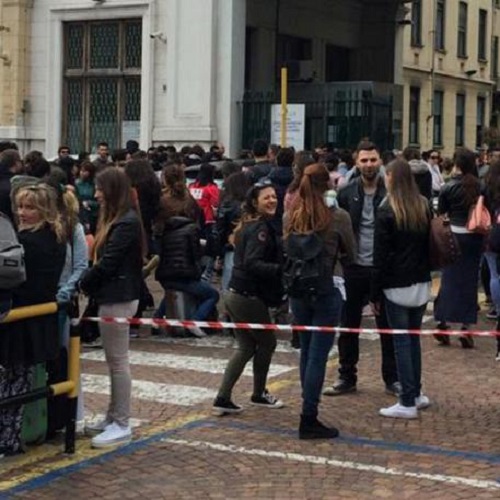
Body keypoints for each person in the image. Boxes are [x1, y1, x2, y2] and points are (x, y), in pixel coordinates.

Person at [323, 141, 399, 397]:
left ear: (380, 161)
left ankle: (392, 378)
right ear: (356, 162)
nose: (368, 165)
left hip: (383, 269)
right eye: (364, 160)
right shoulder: (345, 193)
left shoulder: (391, 192)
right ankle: (347, 376)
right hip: (353, 268)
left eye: (373, 160)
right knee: (349, 325)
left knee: (387, 326)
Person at [285, 163, 355, 439]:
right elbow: (351, 252)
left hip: (298, 288)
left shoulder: (291, 215)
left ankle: (307, 404)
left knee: (306, 350)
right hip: (327, 287)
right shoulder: (338, 217)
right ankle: (308, 415)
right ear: (328, 184)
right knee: (318, 354)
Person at [80, 167, 145, 448]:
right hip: (113, 294)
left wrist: (83, 281)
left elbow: (109, 263)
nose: (96, 194)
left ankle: (121, 422)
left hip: (118, 296)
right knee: (114, 361)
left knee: (118, 362)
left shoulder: (126, 223)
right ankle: (113, 416)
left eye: (99, 189)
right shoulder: (118, 219)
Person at [0, 184, 66, 455]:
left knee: (13, 381)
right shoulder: (56, 238)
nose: (22, 213)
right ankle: (10, 436)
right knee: (21, 380)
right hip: (40, 319)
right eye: (20, 206)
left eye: (29, 207)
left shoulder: (27, 243)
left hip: (20, 319)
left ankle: (8, 438)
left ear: (44, 210)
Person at [213, 180, 285, 415]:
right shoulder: (260, 228)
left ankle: (223, 397)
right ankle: (259, 392)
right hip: (248, 296)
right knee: (267, 342)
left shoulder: (248, 224)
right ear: (255, 202)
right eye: (266, 197)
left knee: (245, 346)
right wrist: (279, 269)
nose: (272, 200)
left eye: (274, 196)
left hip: (234, 294)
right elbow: (253, 263)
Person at [371, 159, 432, 419]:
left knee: (401, 342)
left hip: (395, 283)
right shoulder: (423, 205)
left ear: (392, 178)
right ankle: (415, 393)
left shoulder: (387, 209)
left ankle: (407, 400)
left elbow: (380, 255)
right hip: (421, 280)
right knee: (413, 339)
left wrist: (374, 292)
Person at [154, 163, 219, 338]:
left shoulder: (161, 203)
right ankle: (193, 321)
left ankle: (158, 318)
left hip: (166, 268)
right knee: (210, 294)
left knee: (172, 289)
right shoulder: (190, 203)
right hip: (184, 269)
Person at [434, 148, 484, 348]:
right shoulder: (480, 187)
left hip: (452, 235)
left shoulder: (449, 186)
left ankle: (442, 324)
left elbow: (441, 211)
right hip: (474, 236)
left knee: (448, 279)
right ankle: (466, 327)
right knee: (470, 281)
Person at [75, 161, 99, 235]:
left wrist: (89, 203)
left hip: (93, 214)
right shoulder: (77, 183)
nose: (82, 173)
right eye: (81, 170)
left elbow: (99, 202)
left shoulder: (95, 184)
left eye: (85, 171)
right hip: (80, 213)